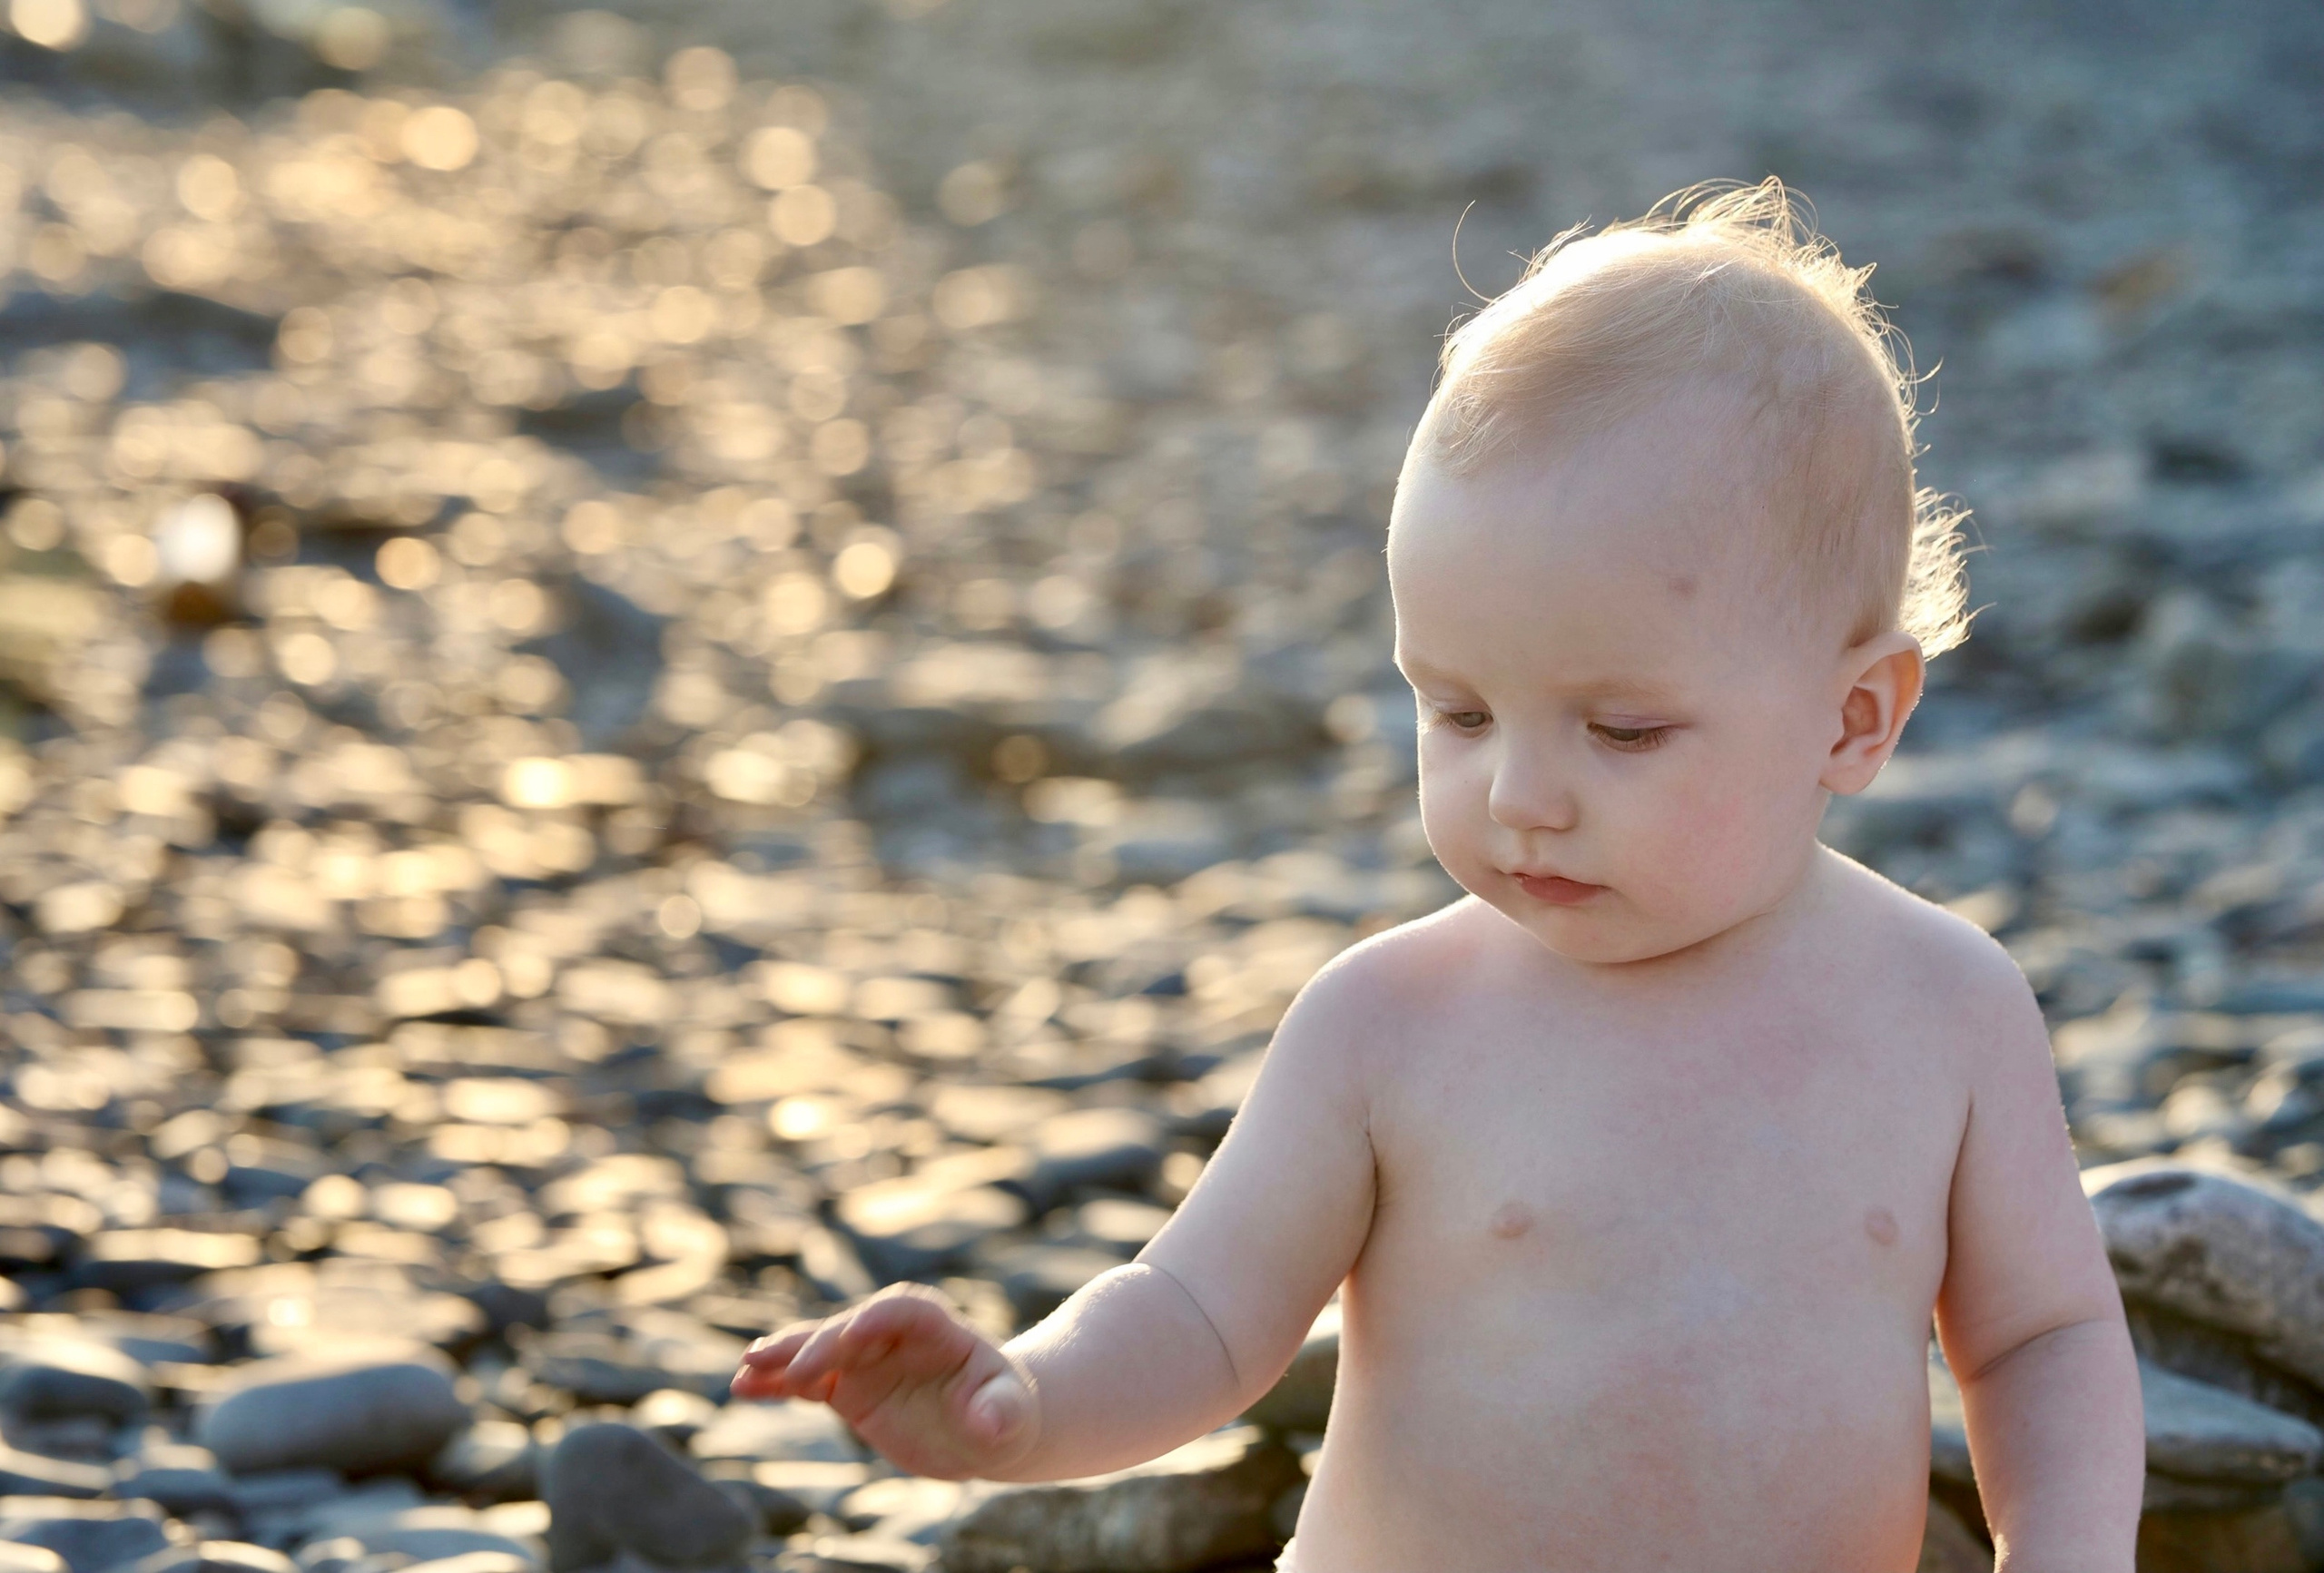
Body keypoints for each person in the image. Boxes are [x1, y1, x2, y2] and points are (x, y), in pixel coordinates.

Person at [732, 177, 2144, 1572]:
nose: (1520, 795)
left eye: (1622, 728)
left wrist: (2071, 1545)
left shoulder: (1944, 1010)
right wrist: (1020, 1402)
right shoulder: (1392, 1023)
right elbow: (1199, 1311)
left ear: (1856, 716)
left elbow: (2041, 1338)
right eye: (1456, 710)